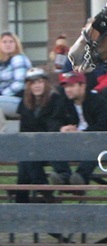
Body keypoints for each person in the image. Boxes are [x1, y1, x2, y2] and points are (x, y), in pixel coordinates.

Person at [49, 71, 107, 185]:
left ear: (82, 86)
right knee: (52, 144)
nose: (68, 90)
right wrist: (61, 128)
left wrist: (81, 133)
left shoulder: (98, 101)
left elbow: (105, 125)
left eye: (71, 86)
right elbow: (53, 121)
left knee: (96, 147)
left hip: (96, 143)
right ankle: (63, 175)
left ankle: (80, 177)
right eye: (66, 87)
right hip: (73, 144)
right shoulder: (64, 102)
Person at [14, 68, 71, 203]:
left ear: (45, 83)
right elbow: (24, 130)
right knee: (26, 161)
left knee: (27, 160)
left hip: (53, 145)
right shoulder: (25, 103)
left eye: (40, 82)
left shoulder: (55, 99)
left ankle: (27, 199)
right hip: (32, 147)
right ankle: (43, 194)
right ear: (29, 86)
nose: (37, 86)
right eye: (33, 83)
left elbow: (54, 125)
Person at [0, 31, 33, 118]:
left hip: (19, 100)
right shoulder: (2, 62)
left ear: (16, 44)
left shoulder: (19, 59)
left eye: (11, 41)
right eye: (4, 42)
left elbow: (19, 84)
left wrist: (2, 93)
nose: (8, 44)